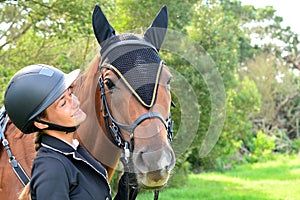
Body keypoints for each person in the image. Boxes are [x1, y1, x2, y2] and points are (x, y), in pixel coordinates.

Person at [4, 64, 138, 200]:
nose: (74, 102)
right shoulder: (52, 170)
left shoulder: (75, 152)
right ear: (40, 123)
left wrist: (130, 178)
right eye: (63, 103)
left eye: (70, 94)